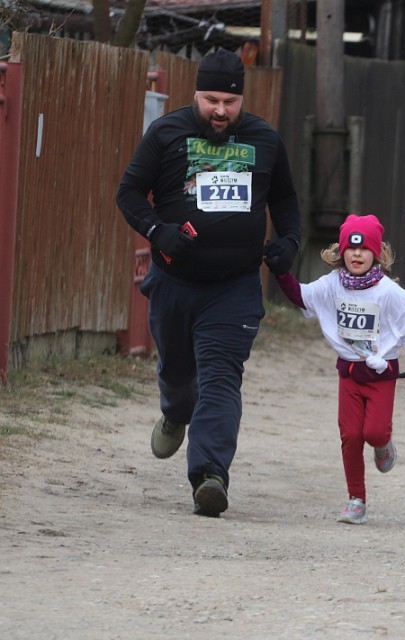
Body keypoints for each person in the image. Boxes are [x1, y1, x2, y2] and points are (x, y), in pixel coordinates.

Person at [115, 49, 301, 517]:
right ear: (196, 94)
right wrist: (158, 231)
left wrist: (290, 242)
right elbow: (129, 193)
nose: (220, 110)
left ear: (242, 100)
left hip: (234, 287)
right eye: (211, 99)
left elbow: (284, 199)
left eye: (230, 101)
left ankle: (210, 474)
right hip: (174, 282)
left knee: (221, 377)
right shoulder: (166, 134)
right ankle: (176, 412)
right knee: (180, 378)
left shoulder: (265, 140)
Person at [273, 214, 405, 524]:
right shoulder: (332, 285)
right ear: (341, 252)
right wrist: (279, 271)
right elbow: (301, 297)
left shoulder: (388, 292)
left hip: (381, 374)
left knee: (373, 432)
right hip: (349, 375)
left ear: (376, 253)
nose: (357, 255)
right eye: (351, 249)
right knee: (350, 436)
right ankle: (356, 500)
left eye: (364, 249)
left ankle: (384, 445)